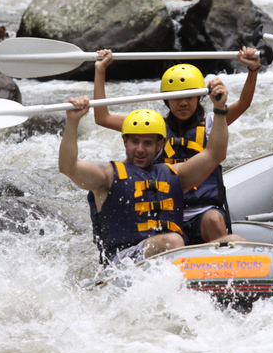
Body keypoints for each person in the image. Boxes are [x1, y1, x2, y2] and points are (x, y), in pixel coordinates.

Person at [90, 47, 260, 245]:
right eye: (177, 97)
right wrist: (100, 70)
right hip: (164, 210)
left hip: (202, 211)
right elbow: (102, 117)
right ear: (166, 99)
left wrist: (253, 70)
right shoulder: (151, 128)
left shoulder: (213, 123)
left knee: (214, 219)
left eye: (190, 96)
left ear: (199, 97)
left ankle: (220, 265)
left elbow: (245, 103)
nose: (183, 103)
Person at [59, 80, 235, 266]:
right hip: (123, 263)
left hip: (170, 258)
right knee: (172, 240)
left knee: (235, 241)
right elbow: (68, 167)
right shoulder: (107, 176)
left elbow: (215, 154)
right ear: (125, 142)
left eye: (148, 143)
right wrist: (72, 121)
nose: (140, 149)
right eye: (135, 142)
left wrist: (220, 108)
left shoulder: (174, 175)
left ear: (160, 145)